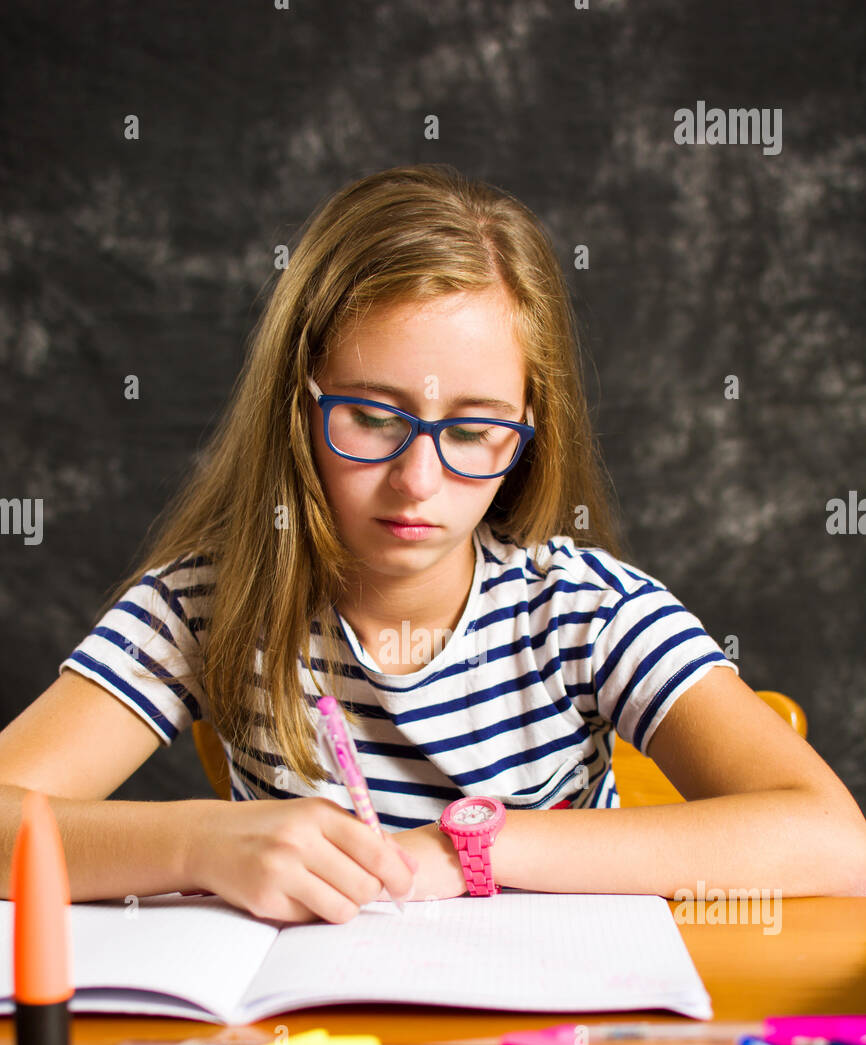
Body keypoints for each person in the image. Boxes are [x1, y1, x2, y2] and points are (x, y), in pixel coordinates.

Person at [1, 165, 864, 923]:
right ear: (300, 406)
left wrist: (463, 852)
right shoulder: (204, 604)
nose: (418, 481)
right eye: (372, 418)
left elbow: (835, 842)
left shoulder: (585, 613)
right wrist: (200, 841)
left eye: (477, 428)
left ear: (531, 429)